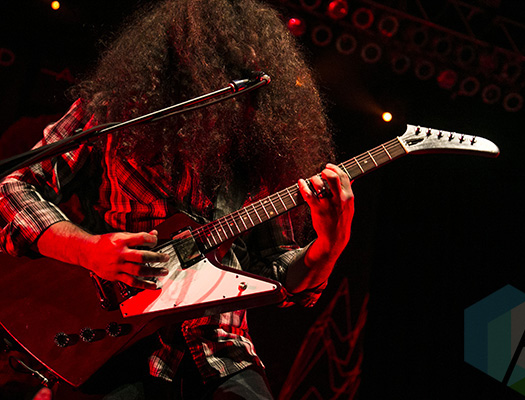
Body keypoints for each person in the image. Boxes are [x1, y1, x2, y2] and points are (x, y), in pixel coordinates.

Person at [0, 0, 354, 399]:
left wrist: (330, 244)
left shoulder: (266, 147)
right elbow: (15, 185)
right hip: (107, 343)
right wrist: (88, 250)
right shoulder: (115, 110)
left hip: (220, 349)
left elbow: (280, 274)